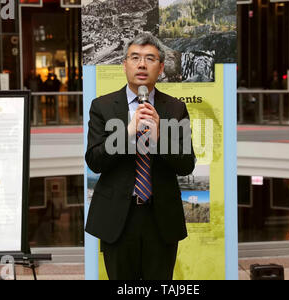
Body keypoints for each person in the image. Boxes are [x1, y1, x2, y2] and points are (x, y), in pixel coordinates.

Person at [85, 33, 196, 280]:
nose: (142, 64)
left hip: (161, 218)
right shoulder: (102, 106)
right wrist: (127, 132)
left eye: (150, 59)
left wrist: (159, 137)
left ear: (161, 67)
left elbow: (187, 164)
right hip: (117, 219)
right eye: (135, 58)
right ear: (124, 65)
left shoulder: (175, 109)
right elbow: (94, 160)